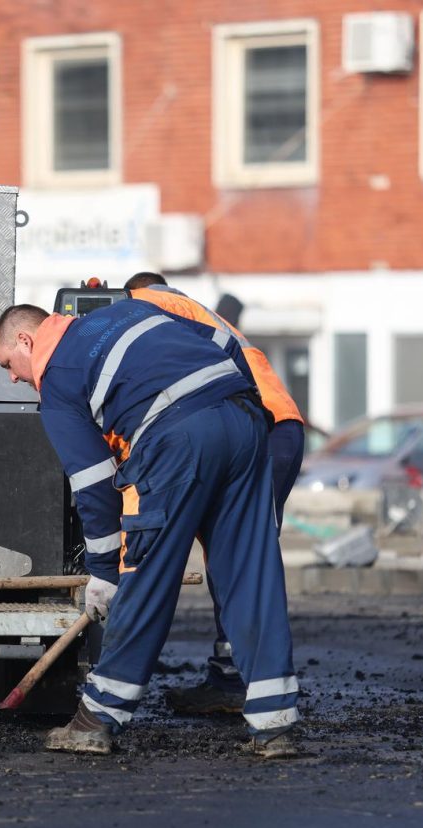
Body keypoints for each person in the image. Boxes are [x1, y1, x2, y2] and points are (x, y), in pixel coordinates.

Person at [0, 300, 301, 758]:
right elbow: (221, 340)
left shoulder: (57, 379)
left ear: (26, 340)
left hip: (178, 437)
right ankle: (275, 727)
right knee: (246, 572)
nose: (14, 377)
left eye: (7, 365)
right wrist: (241, 401)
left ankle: (97, 717)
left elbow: (94, 485)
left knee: (147, 572)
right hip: (244, 420)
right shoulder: (129, 312)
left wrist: (102, 572)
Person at [124, 272, 305, 716]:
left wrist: (125, 565)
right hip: (274, 425)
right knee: (238, 556)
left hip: (255, 426)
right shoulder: (191, 309)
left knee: (238, 557)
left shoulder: (145, 311)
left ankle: (238, 682)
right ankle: (232, 676)